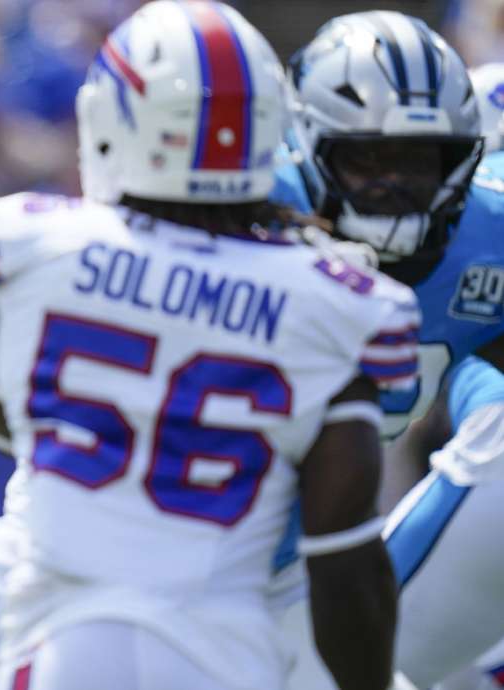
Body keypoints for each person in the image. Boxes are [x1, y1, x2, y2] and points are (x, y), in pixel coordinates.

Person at [0, 3, 414, 689]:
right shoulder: (338, 298)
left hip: (55, 632)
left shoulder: (33, 243)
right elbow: (344, 554)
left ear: (110, 120)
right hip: (220, 651)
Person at [268, 11, 504, 689]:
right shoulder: (244, 217)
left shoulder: (484, 235)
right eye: (368, 156)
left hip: (294, 576)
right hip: (163, 545)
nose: (394, 182)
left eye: (419, 159)